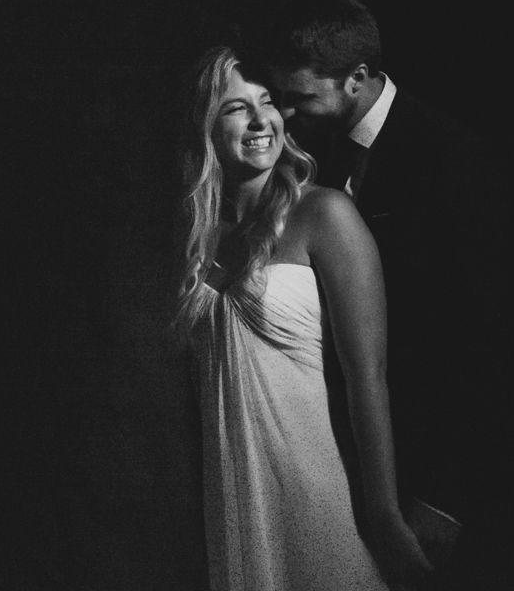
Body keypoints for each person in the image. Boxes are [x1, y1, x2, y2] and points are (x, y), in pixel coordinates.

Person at [258, 0, 500, 583]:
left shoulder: (452, 160)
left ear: (357, 78)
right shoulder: (330, 157)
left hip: (450, 480)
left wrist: (447, 496)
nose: (284, 115)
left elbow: (490, 338)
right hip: (373, 465)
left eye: (299, 97)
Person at [173, 45, 430, 591]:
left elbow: (368, 376)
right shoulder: (198, 243)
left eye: (268, 101)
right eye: (236, 107)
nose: (262, 119)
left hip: (322, 491)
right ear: (205, 128)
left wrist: (383, 513)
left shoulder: (324, 214)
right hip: (236, 495)